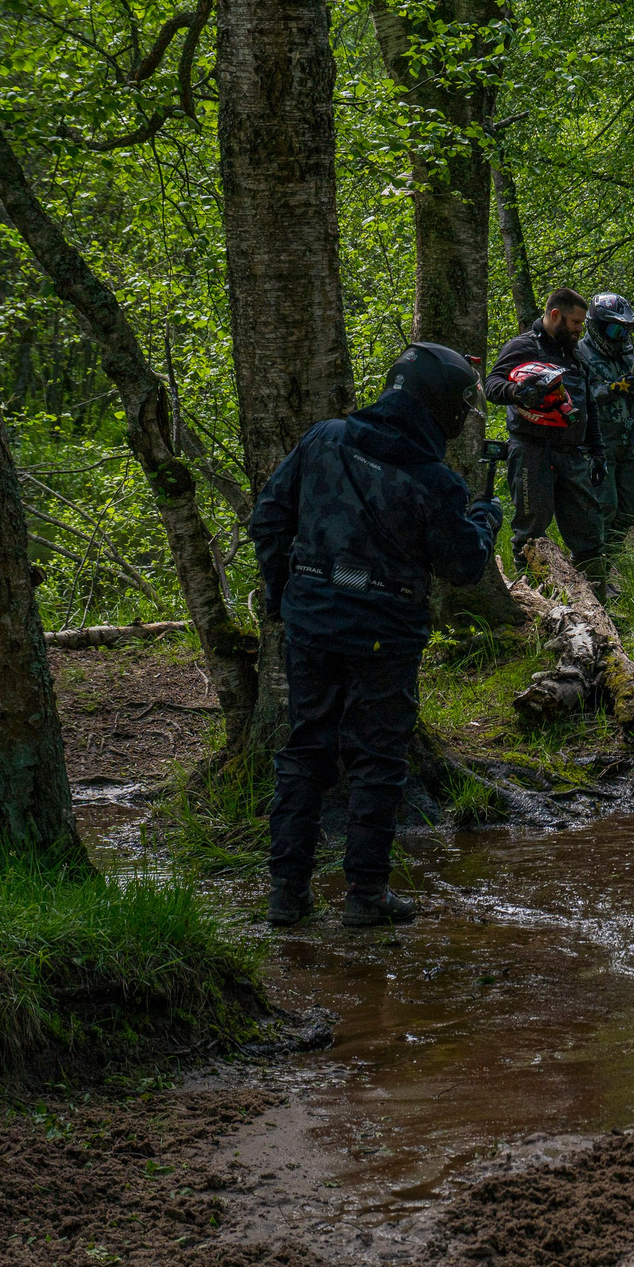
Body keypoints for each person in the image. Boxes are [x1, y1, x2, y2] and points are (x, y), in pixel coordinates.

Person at [251, 343, 506, 929]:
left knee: (305, 752)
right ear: (437, 406)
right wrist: (485, 520)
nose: (461, 419)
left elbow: (268, 517)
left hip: (312, 622)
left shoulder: (324, 439)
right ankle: (365, 896)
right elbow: (464, 567)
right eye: (460, 407)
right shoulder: (434, 481)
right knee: (378, 759)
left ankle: (286, 896)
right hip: (384, 633)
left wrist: (280, 599)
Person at [484, 288, 601, 575]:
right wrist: (518, 392)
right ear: (555, 315)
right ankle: (531, 599)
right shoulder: (521, 346)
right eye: (575, 322)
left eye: (582, 324)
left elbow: (590, 406)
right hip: (531, 452)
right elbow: (491, 385)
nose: (579, 330)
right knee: (530, 533)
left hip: (573, 456)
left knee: (588, 533)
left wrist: (598, 454)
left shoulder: (576, 355)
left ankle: (596, 599)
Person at [578, 291, 634, 553]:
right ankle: (595, 572)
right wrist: (615, 388)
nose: (621, 337)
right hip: (597, 447)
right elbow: (581, 399)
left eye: (624, 330)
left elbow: (632, 405)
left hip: (625, 444)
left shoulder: (626, 355)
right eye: (615, 330)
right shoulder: (580, 355)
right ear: (598, 327)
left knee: (629, 511)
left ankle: (609, 564)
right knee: (604, 509)